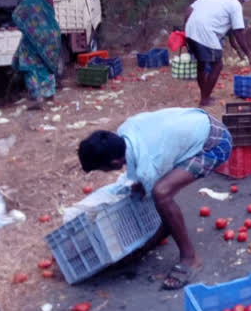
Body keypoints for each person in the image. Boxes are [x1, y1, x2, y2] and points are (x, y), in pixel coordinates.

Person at [78, 107, 232, 290]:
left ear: (115, 163)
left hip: (215, 143)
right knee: (153, 190)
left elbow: (154, 181)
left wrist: (144, 243)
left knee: (161, 193)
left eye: (101, 169)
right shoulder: (124, 131)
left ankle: (190, 258)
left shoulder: (148, 165)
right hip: (200, 123)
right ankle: (165, 229)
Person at [184, 0, 251, 106]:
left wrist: (185, 29)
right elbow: (238, 32)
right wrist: (249, 54)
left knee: (201, 65)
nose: (242, 5)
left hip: (190, 30)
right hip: (206, 32)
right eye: (242, 2)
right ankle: (204, 99)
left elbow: (189, 10)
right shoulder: (234, 4)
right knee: (217, 65)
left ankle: (204, 96)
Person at [12, 0, 62, 111]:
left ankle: (37, 97)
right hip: (52, 35)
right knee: (47, 65)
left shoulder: (26, 0)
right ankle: (50, 95)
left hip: (35, 38)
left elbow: (17, 17)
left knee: (29, 67)